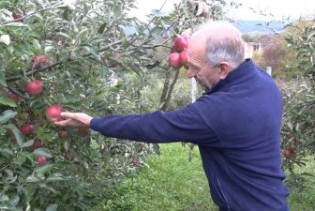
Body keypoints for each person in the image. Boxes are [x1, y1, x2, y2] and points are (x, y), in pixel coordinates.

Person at [54, 21, 290, 211]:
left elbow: (155, 126)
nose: (189, 74)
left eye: (195, 67)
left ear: (223, 68)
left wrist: (93, 122)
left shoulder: (219, 110)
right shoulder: (263, 83)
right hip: (272, 200)